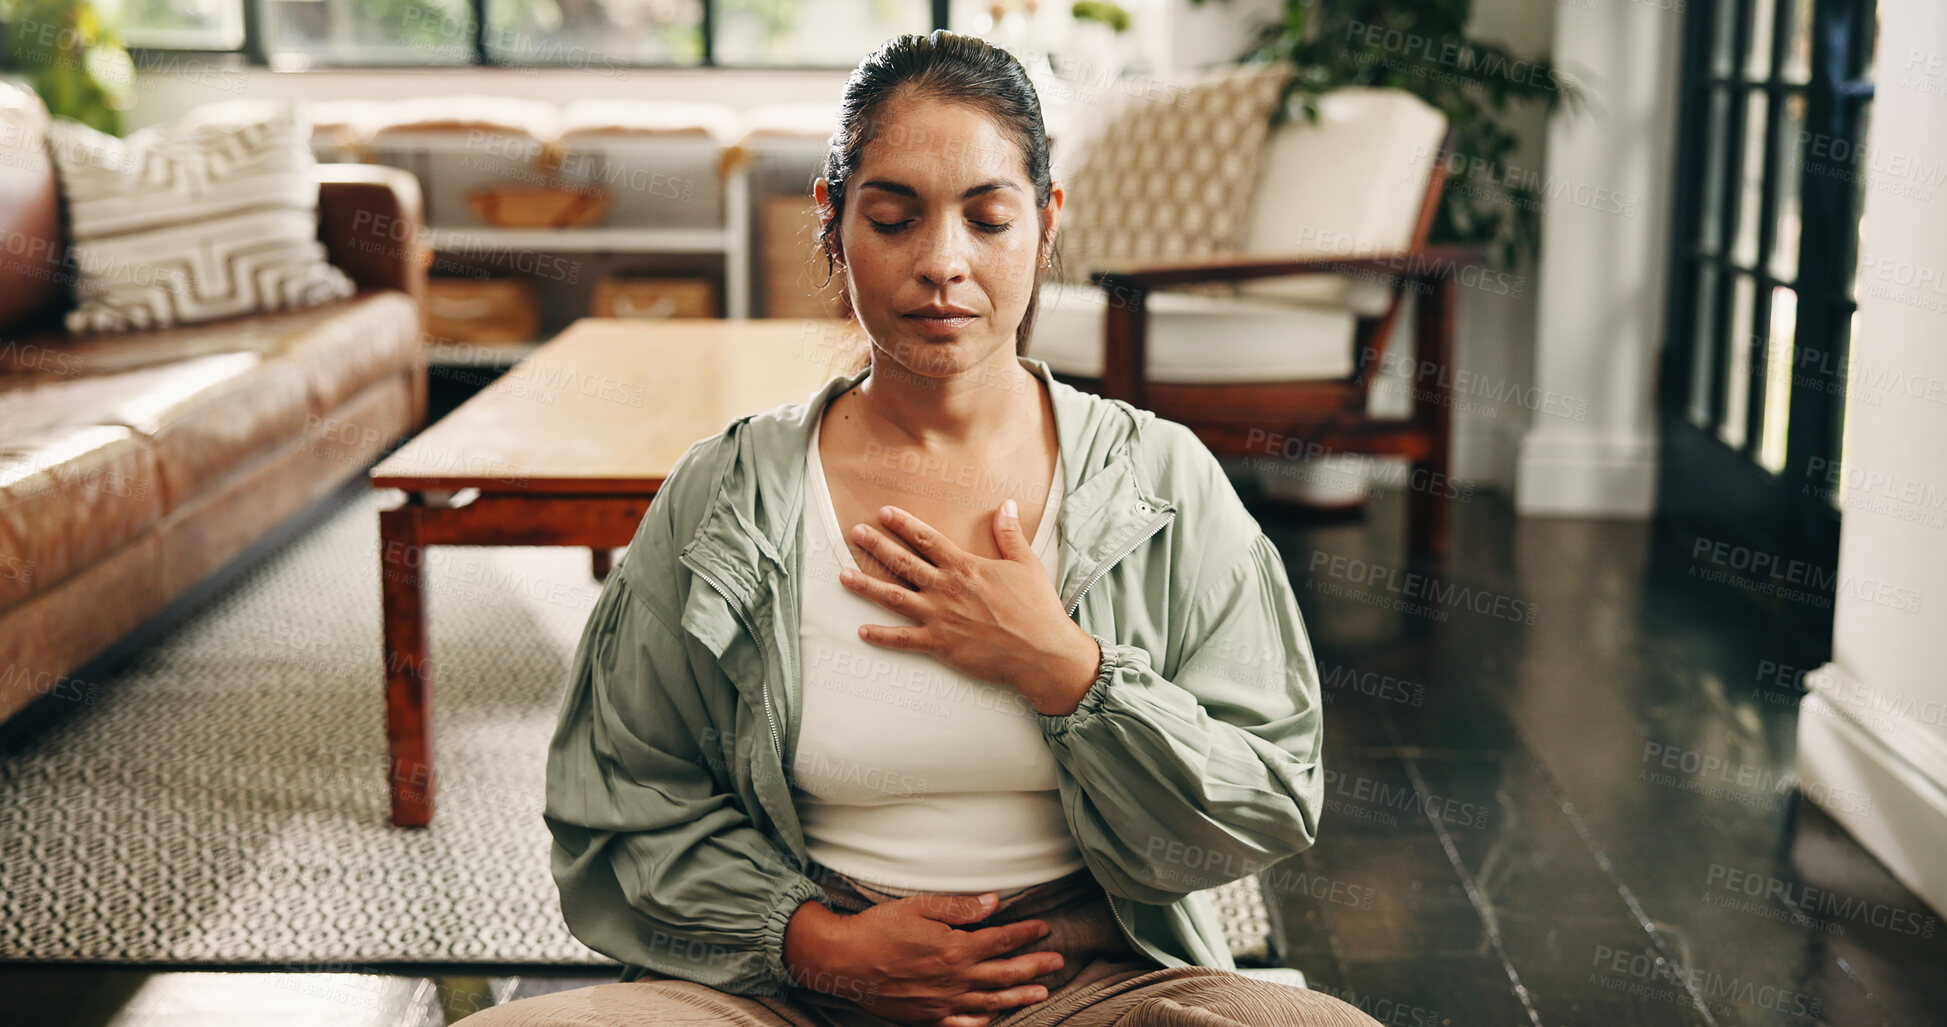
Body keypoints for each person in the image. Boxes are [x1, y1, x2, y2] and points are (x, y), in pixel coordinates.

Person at [456, 30, 1377, 1027]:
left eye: (988, 218)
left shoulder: (1161, 483)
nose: (944, 263)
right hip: (789, 987)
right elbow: (619, 797)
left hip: (1082, 985)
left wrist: (1067, 668)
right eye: (894, 218)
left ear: (1047, 221)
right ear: (834, 221)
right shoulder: (726, 494)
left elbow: (1269, 798)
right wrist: (820, 942)